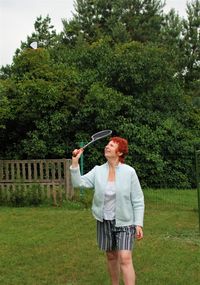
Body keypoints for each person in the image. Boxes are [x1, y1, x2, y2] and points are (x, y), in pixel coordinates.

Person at [70, 136, 144, 285]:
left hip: (125, 222)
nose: (107, 147)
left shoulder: (129, 172)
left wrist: (138, 223)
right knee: (111, 256)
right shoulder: (98, 171)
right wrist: (75, 162)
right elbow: (79, 183)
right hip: (104, 221)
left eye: (112, 145)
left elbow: (138, 199)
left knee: (125, 258)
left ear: (120, 153)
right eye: (107, 144)